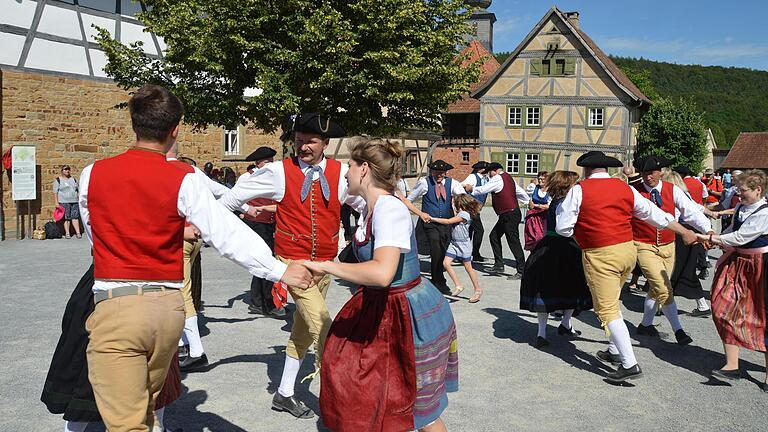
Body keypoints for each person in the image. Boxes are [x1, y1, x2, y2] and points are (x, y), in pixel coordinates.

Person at [76, 84, 311, 431]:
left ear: (134, 123)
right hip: (167, 307)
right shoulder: (184, 177)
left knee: (126, 423)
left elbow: (94, 235)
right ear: (175, 130)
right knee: (147, 407)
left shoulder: (92, 174)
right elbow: (226, 232)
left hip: (118, 301)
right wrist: (279, 270)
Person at [304, 137, 458, 432]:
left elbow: (383, 273)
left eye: (349, 166)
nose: (346, 172)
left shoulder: (389, 209)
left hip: (407, 315)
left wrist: (326, 267)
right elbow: (331, 189)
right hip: (380, 308)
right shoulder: (368, 206)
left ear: (363, 170)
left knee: (418, 411)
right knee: (357, 381)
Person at [217, 113, 362, 419]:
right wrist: (221, 228)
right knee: (324, 327)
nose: (302, 147)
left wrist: (367, 231)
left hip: (325, 265)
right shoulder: (278, 173)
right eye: (298, 141)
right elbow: (230, 201)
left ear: (325, 143)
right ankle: (341, 405)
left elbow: (365, 203)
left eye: (309, 141)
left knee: (303, 332)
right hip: (293, 264)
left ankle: (284, 394)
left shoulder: (340, 174)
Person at [556, 151, 697, 383]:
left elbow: (563, 228)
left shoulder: (580, 190)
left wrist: (583, 231)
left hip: (600, 254)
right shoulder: (625, 188)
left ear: (586, 169)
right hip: (628, 251)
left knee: (607, 309)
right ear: (607, 169)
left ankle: (629, 364)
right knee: (614, 302)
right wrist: (684, 231)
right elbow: (654, 214)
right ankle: (613, 350)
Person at [697, 170, 768, 391]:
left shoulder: (765, 212)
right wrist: (716, 240)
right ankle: (732, 365)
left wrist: (709, 238)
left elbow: (741, 237)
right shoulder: (739, 207)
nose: (739, 193)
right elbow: (731, 231)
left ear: (758, 190)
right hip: (737, 262)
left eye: (743, 190)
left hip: (760, 266)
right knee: (722, 308)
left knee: (762, 317)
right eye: (738, 188)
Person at [630, 156, 713, 346]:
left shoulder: (672, 190)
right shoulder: (635, 192)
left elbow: (690, 211)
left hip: (668, 245)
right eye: (644, 173)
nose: (647, 177)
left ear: (660, 173)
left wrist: (707, 229)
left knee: (656, 288)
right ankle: (678, 330)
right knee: (663, 286)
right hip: (643, 245)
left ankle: (645, 324)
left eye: (651, 173)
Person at [521, 171, 592, 347]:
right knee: (570, 285)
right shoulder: (565, 203)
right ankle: (554, 328)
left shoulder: (555, 201)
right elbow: (567, 228)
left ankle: (550, 330)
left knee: (547, 288)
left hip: (547, 245)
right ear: (568, 185)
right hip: (565, 246)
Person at [403, 160, 467, 292]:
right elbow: (409, 200)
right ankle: (439, 281)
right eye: (436, 171)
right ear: (432, 171)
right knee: (436, 248)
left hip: (446, 223)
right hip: (430, 223)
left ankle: (436, 278)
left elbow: (462, 197)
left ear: (445, 172)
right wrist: (420, 214)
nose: (439, 174)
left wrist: (464, 210)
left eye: (441, 172)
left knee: (443, 250)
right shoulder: (424, 183)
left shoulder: (452, 183)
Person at [238, 146, 286, 319]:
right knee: (265, 261)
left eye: (272, 162)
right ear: (258, 163)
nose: (271, 166)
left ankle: (259, 301)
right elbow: (234, 197)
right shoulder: (246, 178)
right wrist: (244, 211)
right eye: (267, 163)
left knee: (265, 261)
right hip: (256, 224)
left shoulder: (273, 178)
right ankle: (266, 302)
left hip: (271, 223)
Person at [463, 162, 530, 279]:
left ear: (493, 171)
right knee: (494, 236)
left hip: (509, 214)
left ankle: (521, 270)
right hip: (509, 214)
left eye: (489, 173)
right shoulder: (508, 177)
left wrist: (471, 188)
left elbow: (484, 189)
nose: (488, 175)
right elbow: (519, 191)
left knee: (513, 242)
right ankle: (499, 264)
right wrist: (528, 201)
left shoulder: (498, 178)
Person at [671, 166, 715, 317]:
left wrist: (708, 228)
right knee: (681, 271)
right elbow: (698, 207)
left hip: (682, 234)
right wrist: (711, 216)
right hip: (690, 232)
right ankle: (657, 306)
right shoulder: (685, 194)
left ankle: (656, 307)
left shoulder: (675, 194)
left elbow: (691, 211)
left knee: (679, 271)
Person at [431, 193, 484, 303]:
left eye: (456, 203)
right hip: (454, 243)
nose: (455, 205)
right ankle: (458, 285)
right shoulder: (459, 213)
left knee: (468, 268)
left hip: (464, 245)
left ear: (461, 204)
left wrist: (432, 219)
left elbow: (448, 221)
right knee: (446, 263)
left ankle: (478, 290)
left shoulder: (464, 214)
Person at [462, 161, 490, 262]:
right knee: (479, 230)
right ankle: (475, 253)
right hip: (471, 208)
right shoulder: (473, 177)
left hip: (476, 209)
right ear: (480, 169)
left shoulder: (486, 179)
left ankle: (465, 254)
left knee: (469, 230)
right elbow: (462, 185)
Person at [524, 171, 551, 251]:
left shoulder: (550, 191)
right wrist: (529, 203)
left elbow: (549, 206)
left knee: (542, 238)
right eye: (539, 179)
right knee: (533, 238)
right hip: (533, 217)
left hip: (544, 218)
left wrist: (536, 205)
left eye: (543, 179)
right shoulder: (534, 188)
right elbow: (528, 199)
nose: (540, 181)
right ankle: (533, 256)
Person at [53, 165, 82, 239]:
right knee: (66, 218)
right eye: (65, 169)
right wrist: (56, 202)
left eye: (68, 169)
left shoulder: (74, 179)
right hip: (63, 201)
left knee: (75, 217)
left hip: (74, 201)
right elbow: (55, 192)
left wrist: (79, 199)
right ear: (62, 171)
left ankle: (78, 233)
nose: (67, 171)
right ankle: (67, 233)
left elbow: (77, 190)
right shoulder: (58, 180)